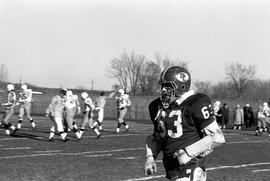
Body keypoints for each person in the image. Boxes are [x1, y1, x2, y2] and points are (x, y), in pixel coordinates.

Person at [144, 66, 225, 180]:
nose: (163, 90)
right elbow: (157, 137)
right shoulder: (157, 107)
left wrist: (188, 153)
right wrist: (150, 158)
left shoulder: (195, 103)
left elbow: (217, 137)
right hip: (172, 169)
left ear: (181, 86)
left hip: (191, 168)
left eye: (168, 86)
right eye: (162, 86)